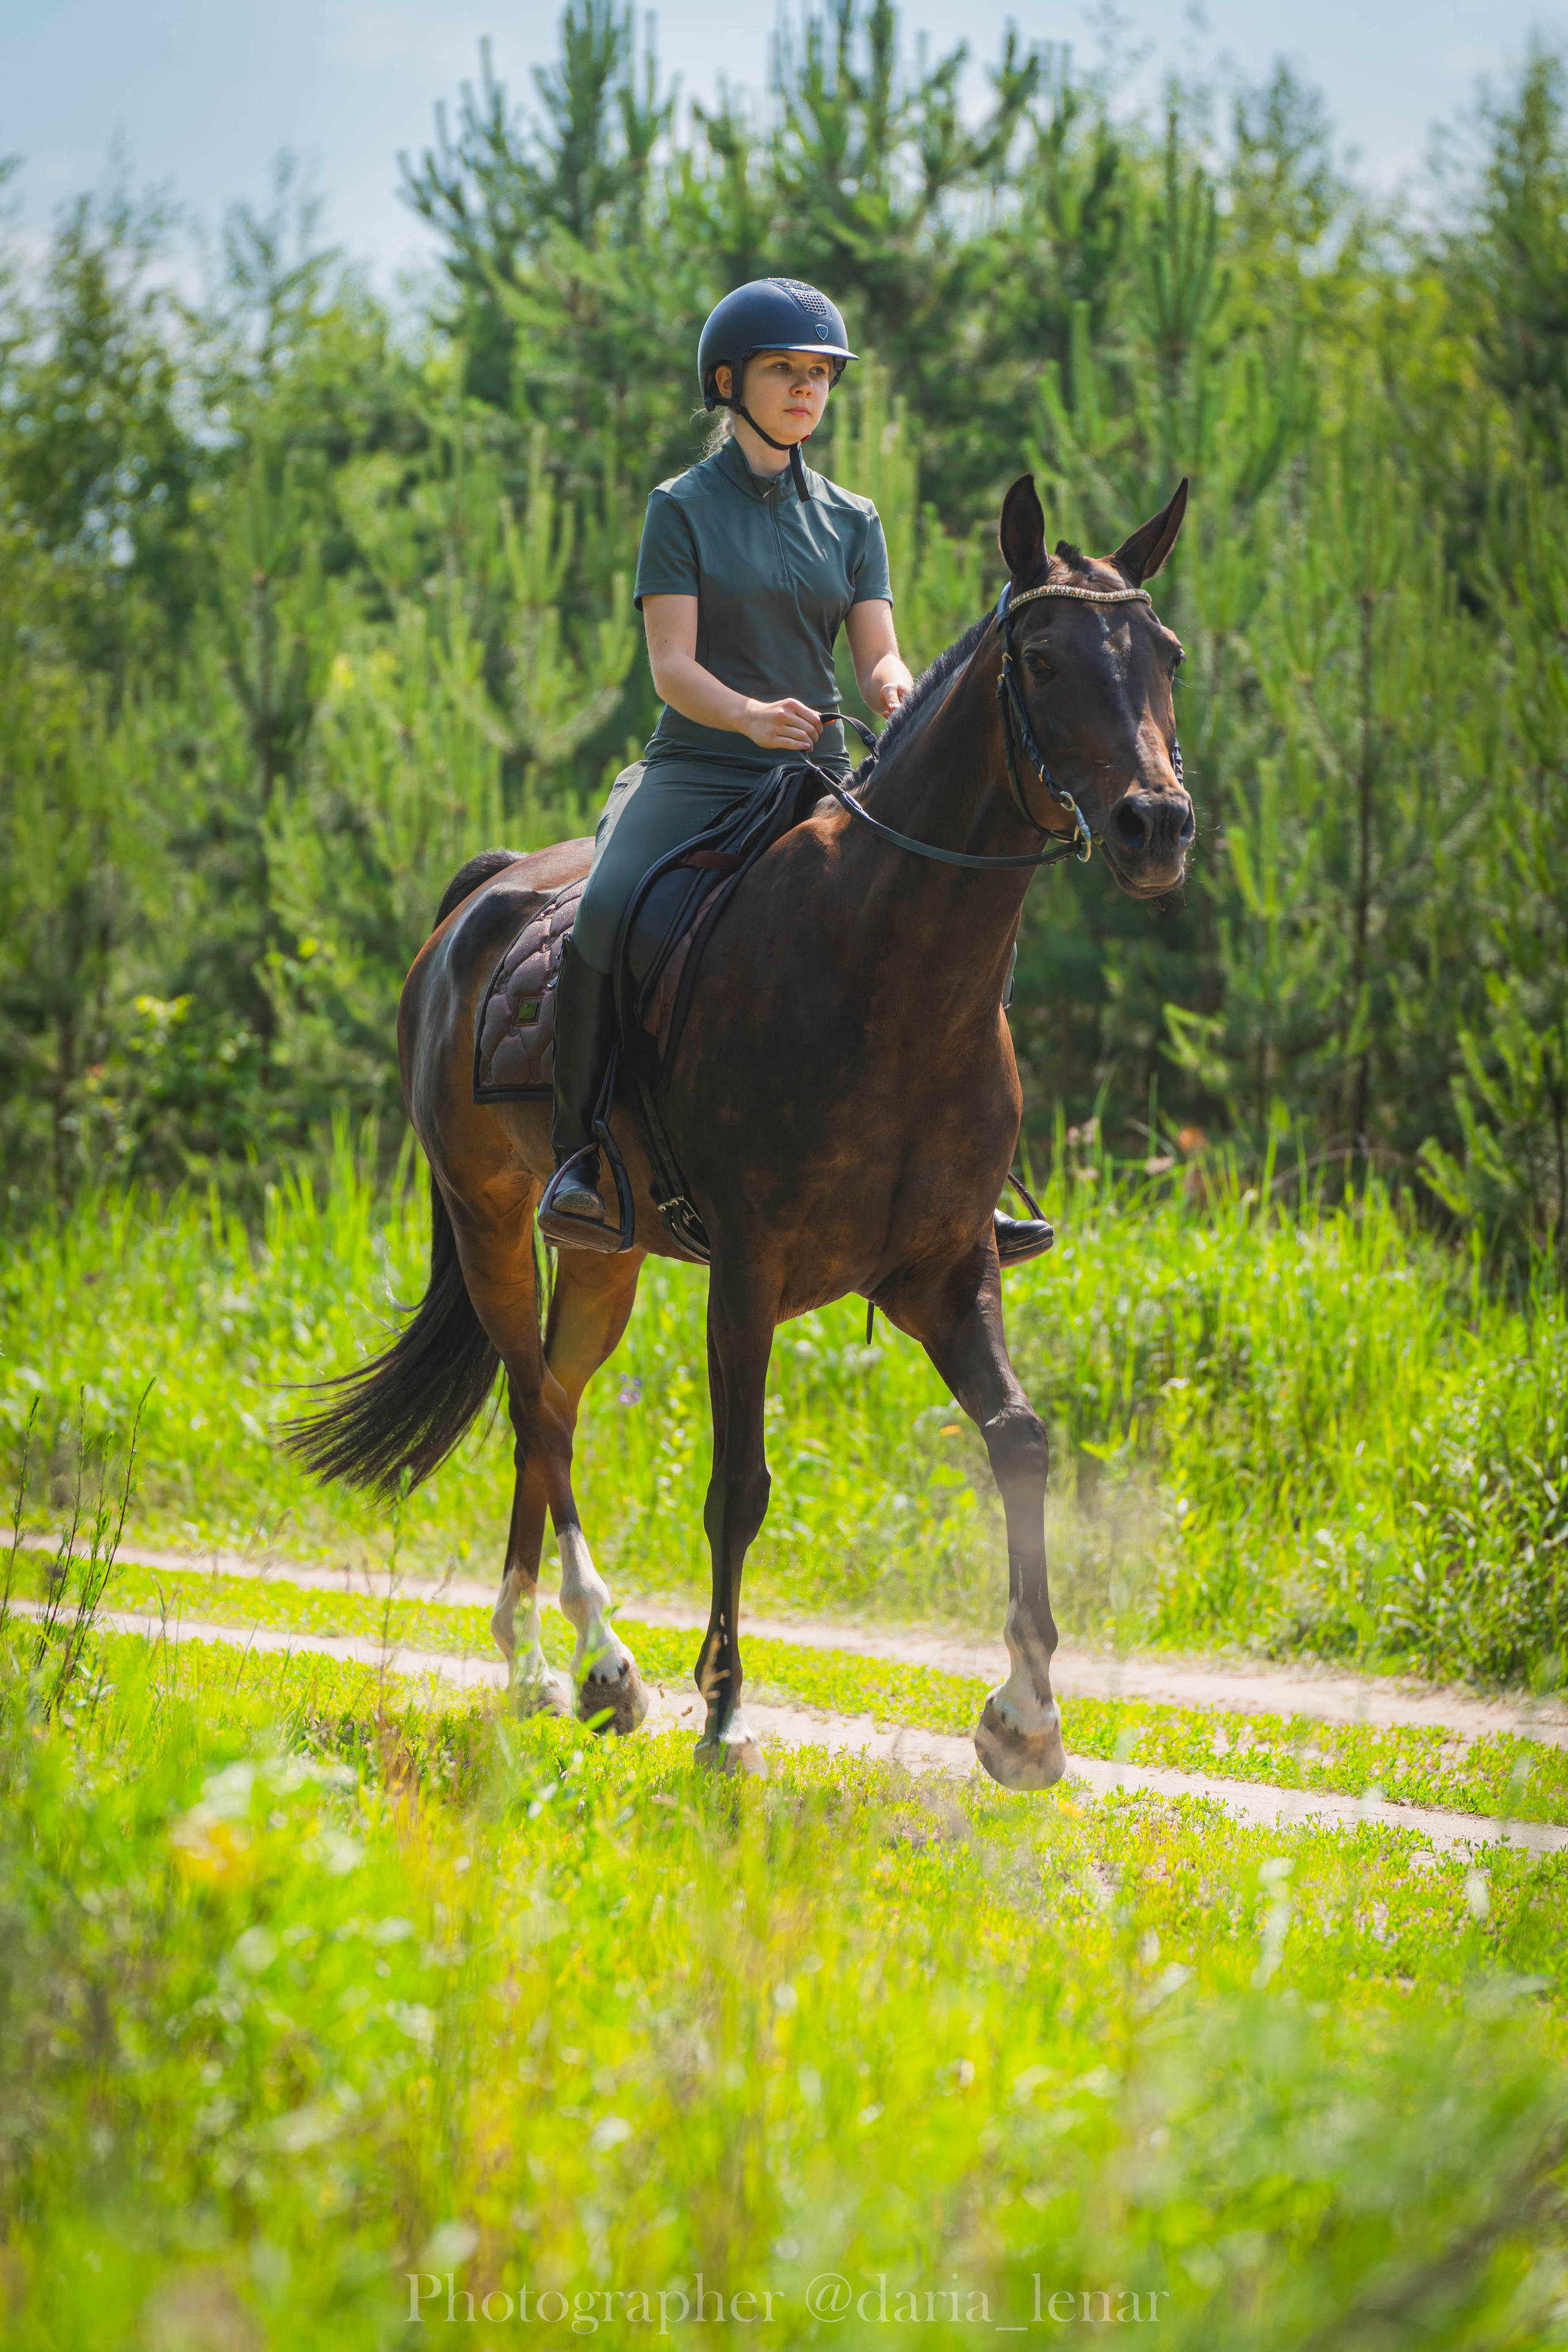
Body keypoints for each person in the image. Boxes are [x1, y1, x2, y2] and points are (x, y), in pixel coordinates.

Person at [538, 275, 1054, 1270]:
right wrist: (745, 716)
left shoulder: (853, 517)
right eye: (786, 371)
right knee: (603, 908)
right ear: (730, 382)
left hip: (820, 769)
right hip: (700, 764)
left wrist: (896, 687)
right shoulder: (677, 509)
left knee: (956, 917)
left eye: (820, 375)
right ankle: (585, 1160)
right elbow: (671, 665)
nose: (807, 390)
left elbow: (876, 654)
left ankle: (966, 1180)